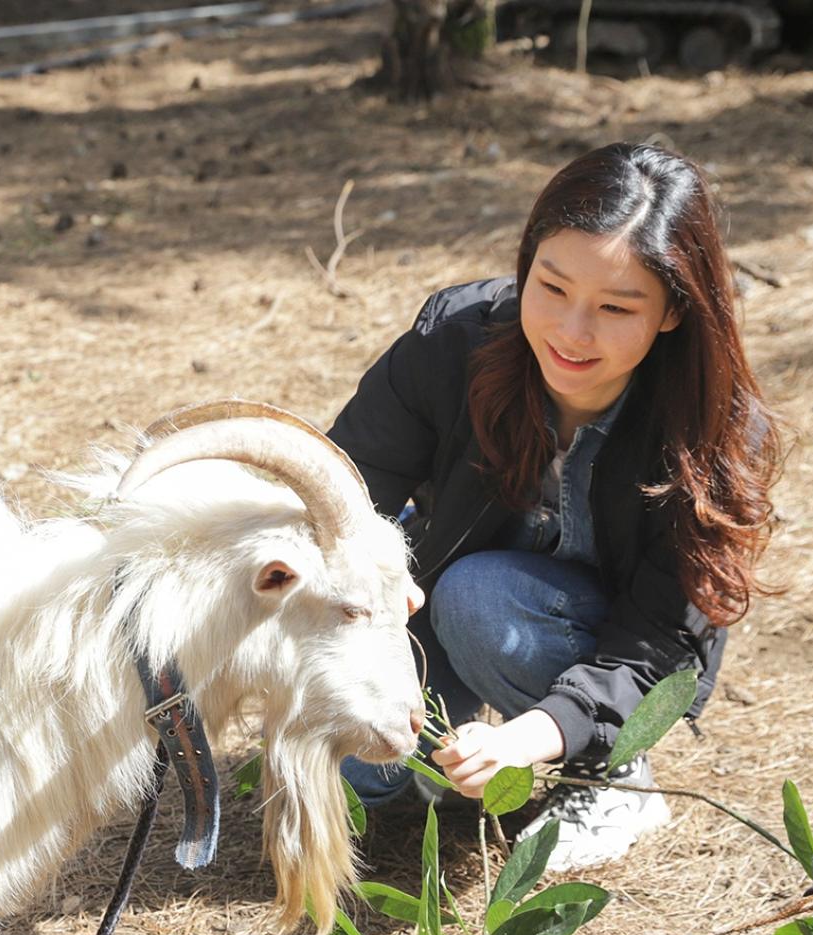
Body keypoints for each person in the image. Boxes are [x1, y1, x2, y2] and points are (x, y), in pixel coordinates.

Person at [327, 141, 781, 870]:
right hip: (438, 597)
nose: (572, 332)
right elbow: (342, 493)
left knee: (482, 601)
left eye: (615, 306)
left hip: (550, 628)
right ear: (526, 260)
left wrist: (528, 736)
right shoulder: (454, 341)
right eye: (552, 286)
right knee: (361, 778)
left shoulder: (710, 428)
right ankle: (453, 751)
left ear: (672, 311)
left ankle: (609, 773)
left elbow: (659, 646)